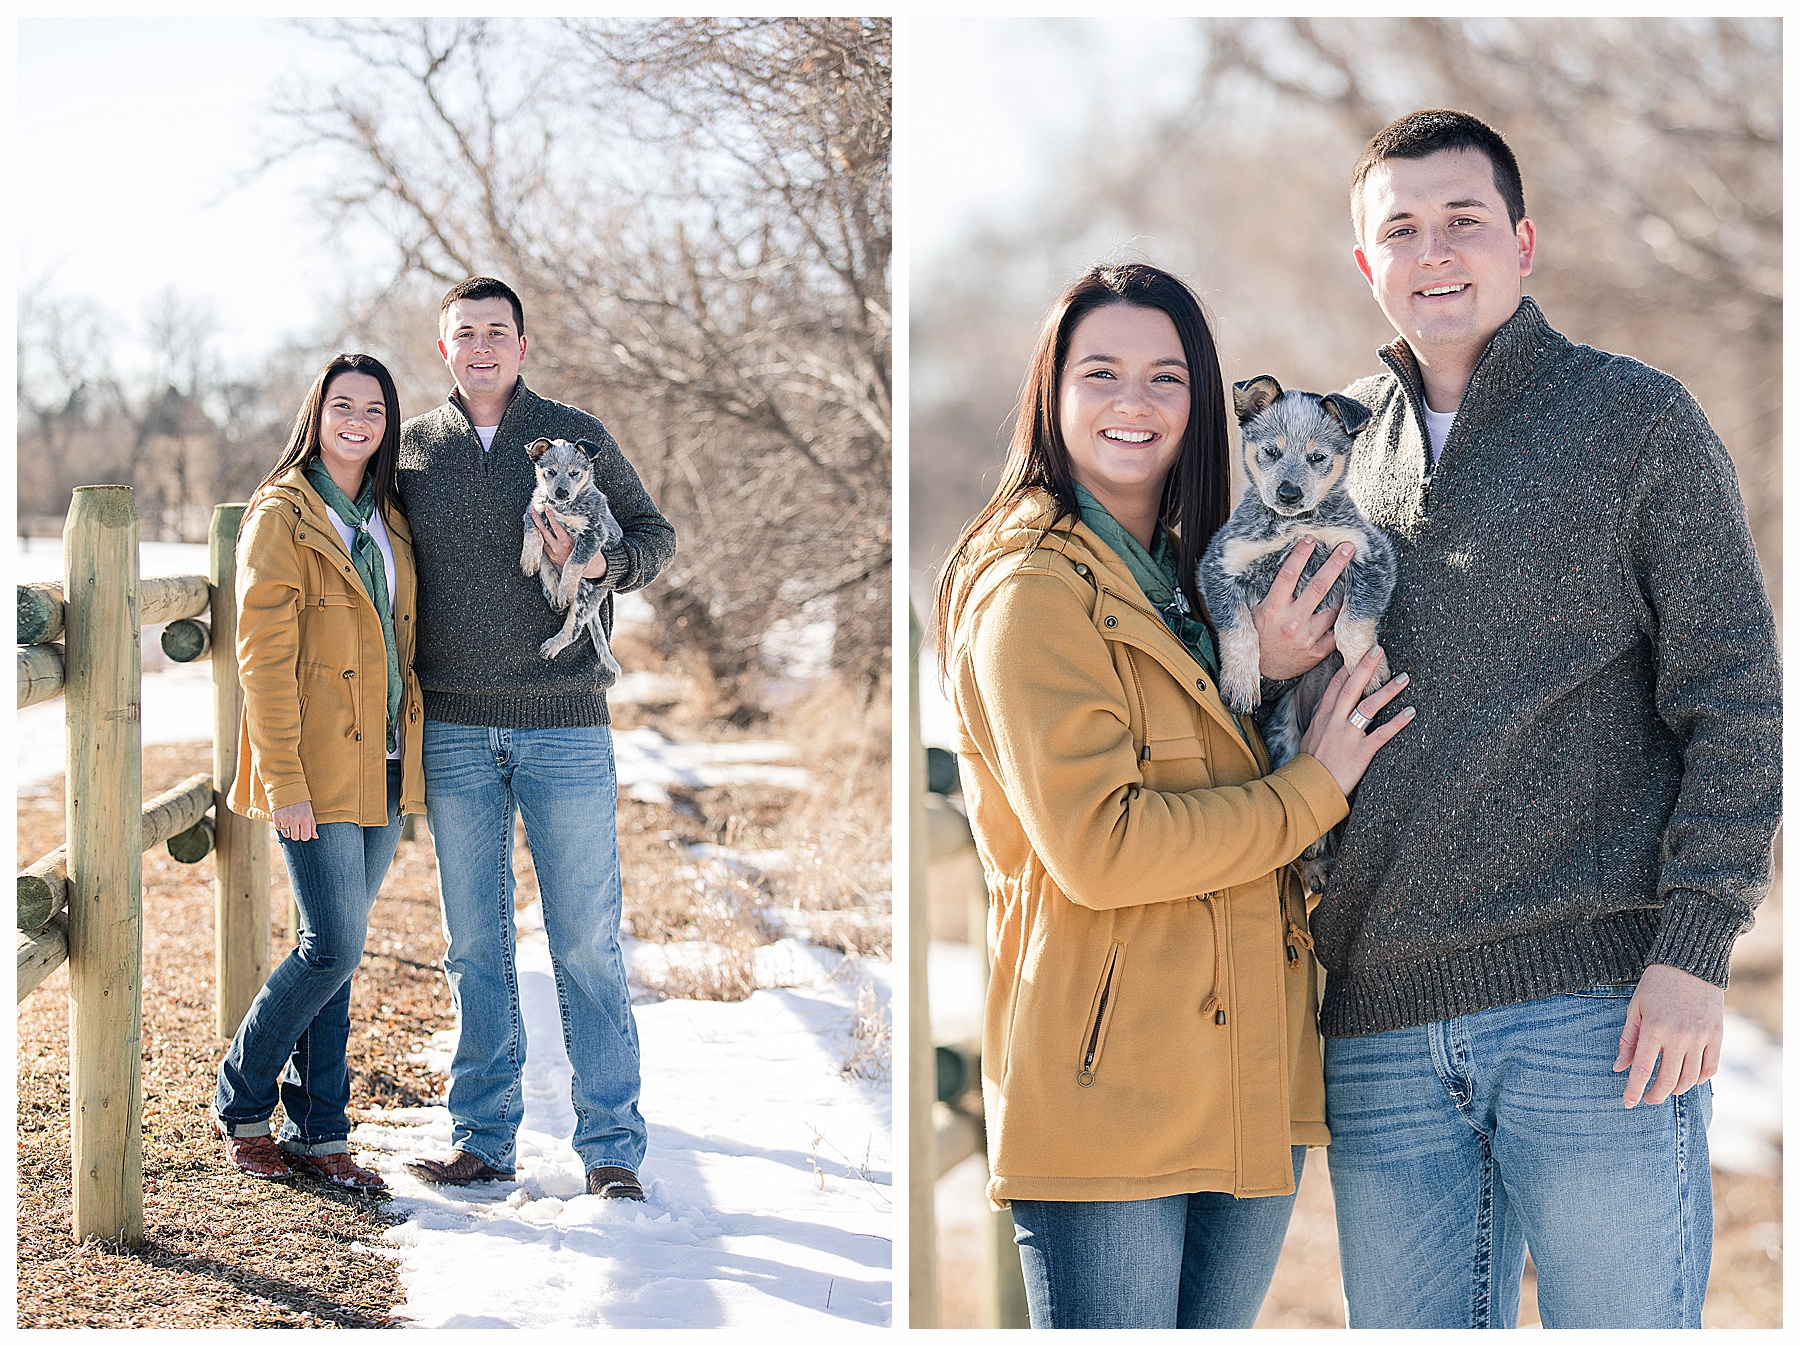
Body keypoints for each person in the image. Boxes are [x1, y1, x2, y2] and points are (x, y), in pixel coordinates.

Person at [1282, 109, 1780, 1328]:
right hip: (1383, 1024)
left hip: (1599, 1009)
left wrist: (1695, 948)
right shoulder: (1322, 447)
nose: (1434, 249)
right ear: (1367, 265)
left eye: (1463, 219)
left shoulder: (1636, 423)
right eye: (1401, 228)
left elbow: (1737, 694)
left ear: (1523, 240)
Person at [932, 261, 1413, 1329]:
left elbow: (1212, 755)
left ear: (1205, 404)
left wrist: (1285, 678)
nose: (1135, 402)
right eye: (1102, 372)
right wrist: (1315, 787)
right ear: (1052, 395)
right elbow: (1100, 848)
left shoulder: (1198, 570)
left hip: (1249, 1069)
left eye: (1167, 376)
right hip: (1112, 1088)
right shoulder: (1031, 586)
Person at [395, 276, 675, 1201]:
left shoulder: (570, 434)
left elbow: (654, 533)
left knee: (586, 943)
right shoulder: (417, 453)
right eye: (464, 333)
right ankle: (482, 1138)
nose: (482, 346)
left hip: (565, 724)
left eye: (498, 332)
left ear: (523, 344)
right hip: (458, 728)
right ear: (445, 350)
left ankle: (611, 1152)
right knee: (475, 946)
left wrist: (607, 561)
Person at [212, 353, 424, 1192]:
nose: (358, 419)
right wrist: (285, 782)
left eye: (373, 407)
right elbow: (261, 662)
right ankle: (241, 1098)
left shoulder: (388, 517)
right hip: (313, 767)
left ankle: (320, 1133)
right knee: (331, 945)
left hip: (384, 762)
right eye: (343, 404)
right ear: (317, 413)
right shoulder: (284, 514)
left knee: (339, 951)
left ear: (387, 423)